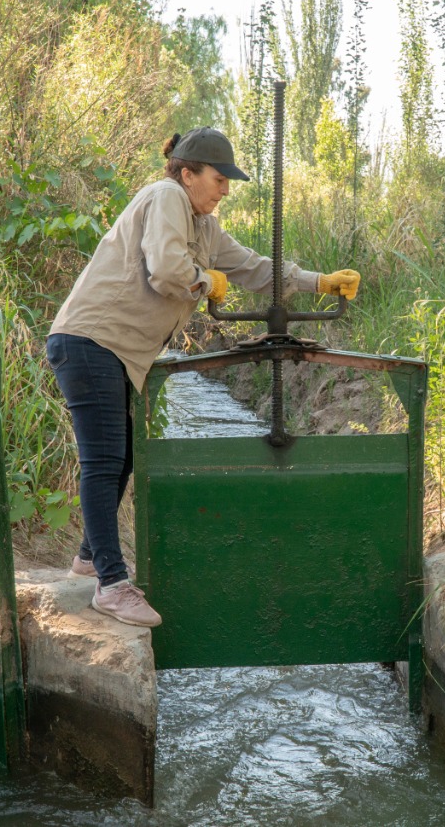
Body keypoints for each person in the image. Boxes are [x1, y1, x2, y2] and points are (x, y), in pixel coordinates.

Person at [45, 127, 361, 628]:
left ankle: (89, 559)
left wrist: (317, 282)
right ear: (188, 174)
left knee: (121, 455)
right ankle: (111, 583)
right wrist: (200, 279)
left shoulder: (205, 227)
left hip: (112, 349)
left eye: (229, 180)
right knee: (104, 461)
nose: (225, 189)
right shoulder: (166, 196)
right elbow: (167, 268)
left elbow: (256, 269)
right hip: (90, 341)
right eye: (219, 178)